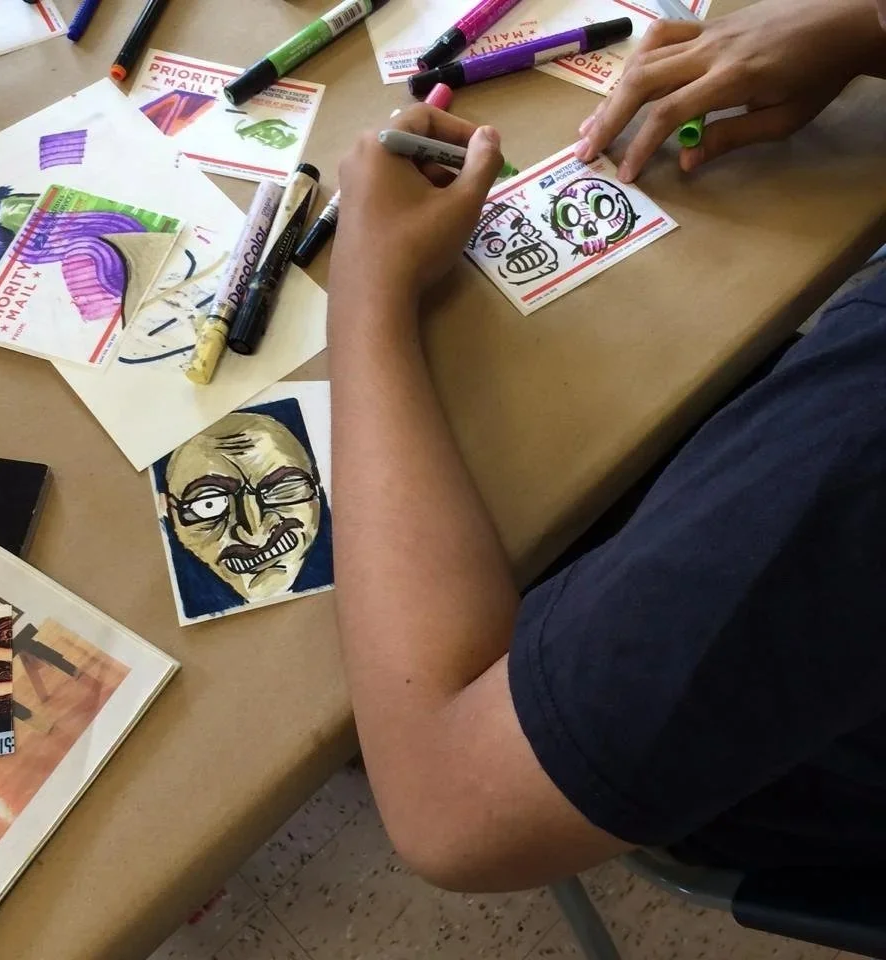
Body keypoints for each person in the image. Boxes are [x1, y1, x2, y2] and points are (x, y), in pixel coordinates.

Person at [326, 0, 886, 893]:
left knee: (443, 568)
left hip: (799, 769)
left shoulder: (857, 448)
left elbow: (448, 809)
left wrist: (364, 293)